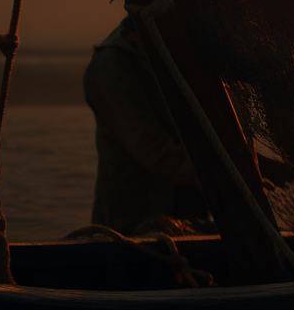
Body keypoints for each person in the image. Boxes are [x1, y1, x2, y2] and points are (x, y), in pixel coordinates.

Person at [84, 16, 208, 234]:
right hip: (135, 217)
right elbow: (152, 149)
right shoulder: (111, 67)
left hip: (187, 210)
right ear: (136, 36)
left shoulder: (175, 54)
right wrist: (217, 175)